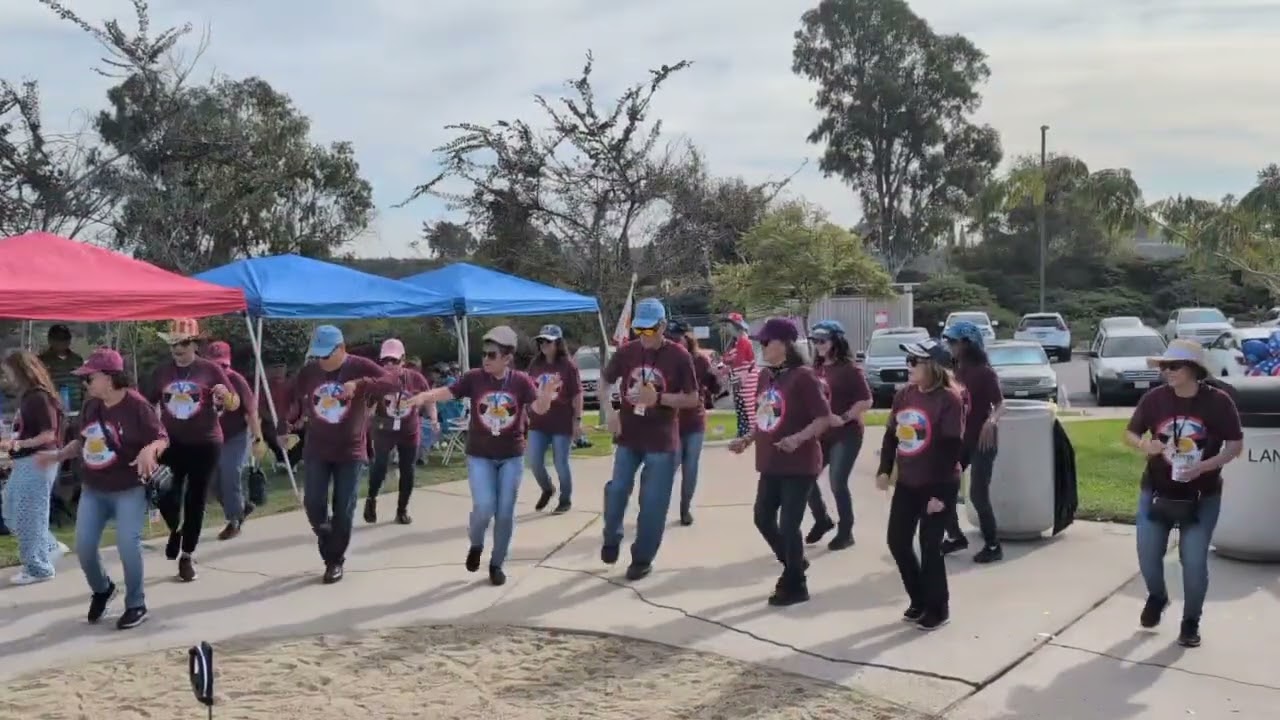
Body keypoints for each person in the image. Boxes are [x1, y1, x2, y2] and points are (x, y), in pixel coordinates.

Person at [408, 326, 558, 586]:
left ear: (507, 358)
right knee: (485, 506)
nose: (485, 359)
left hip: (511, 455)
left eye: (492, 355)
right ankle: (476, 543)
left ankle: (497, 563)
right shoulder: (474, 378)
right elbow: (448, 392)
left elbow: (538, 409)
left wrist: (545, 397)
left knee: (505, 513)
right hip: (480, 455)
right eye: (484, 354)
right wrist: (423, 396)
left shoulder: (521, 381)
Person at [1125, 339, 1243, 648]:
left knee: (1193, 562)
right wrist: (1143, 445)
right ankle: (1158, 597)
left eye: (1173, 366)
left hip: (1202, 496)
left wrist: (1205, 466)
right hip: (1156, 490)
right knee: (1148, 555)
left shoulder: (1218, 402)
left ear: (1193, 369)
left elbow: (1235, 446)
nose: (1167, 372)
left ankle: (1191, 621)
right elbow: (1130, 432)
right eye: (1164, 366)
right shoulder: (1154, 399)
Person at [40, 348, 166, 629]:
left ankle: (136, 603)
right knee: (83, 547)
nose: (85, 383)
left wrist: (149, 450)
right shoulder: (90, 406)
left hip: (128, 488)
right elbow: (84, 442)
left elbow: (161, 438)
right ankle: (102, 589)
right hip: (94, 488)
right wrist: (58, 456)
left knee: (127, 545)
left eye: (89, 377)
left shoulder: (137, 406)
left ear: (109, 378)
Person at [729, 318, 831, 606]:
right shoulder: (766, 377)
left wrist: (798, 439)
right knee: (762, 518)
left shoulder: (804, 377)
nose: (760, 346)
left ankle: (796, 583)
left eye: (765, 342)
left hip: (799, 464)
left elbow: (823, 418)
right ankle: (793, 561)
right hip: (771, 462)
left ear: (784, 344)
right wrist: (747, 439)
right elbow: (765, 419)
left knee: (789, 525)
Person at [288, 325, 401, 584]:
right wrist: (288, 423)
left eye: (326, 355)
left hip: (350, 450)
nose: (321, 361)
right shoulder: (310, 371)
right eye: (317, 356)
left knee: (344, 507)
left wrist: (360, 384)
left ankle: (334, 561)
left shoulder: (359, 366)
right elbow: (294, 397)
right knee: (313, 503)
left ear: (341, 349)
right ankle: (326, 533)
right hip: (317, 447)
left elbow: (393, 382)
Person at [599, 298, 699, 581]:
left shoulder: (679, 357)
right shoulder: (627, 352)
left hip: (662, 440)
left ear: (663, 326)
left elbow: (693, 399)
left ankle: (642, 558)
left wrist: (660, 398)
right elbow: (605, 381)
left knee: (653, 502)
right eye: (638, 330)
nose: (643, 337)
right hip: (629, 435)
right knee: (617, 489)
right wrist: (611, 411)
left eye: (649, 330)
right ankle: (611, 534)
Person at [876, 339, 965, 631]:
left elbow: (952, 447)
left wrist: (939, 494)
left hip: (939, 482)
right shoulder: (904, 395)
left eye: (915, 361)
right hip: (909, 481)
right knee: (898, 541)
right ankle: (919, 599)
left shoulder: (949, 399)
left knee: (930, 546)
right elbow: (891, 436)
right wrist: (885, 469)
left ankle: (938, 608)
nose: (909, 366)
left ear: (933, 366)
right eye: (909, 360)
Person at [147, 319, 238, 583]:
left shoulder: (210, 370)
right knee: (163, 491)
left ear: (195, 344)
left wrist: (225, 395)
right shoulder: (162, 372)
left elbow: (234, 403)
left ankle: (186, 556)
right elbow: (145, 403)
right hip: (172, 442)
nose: (177, 348)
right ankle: (176, 529)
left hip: (205, 443)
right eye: (173, 343)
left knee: (195, 499)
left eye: (183, 343)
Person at [939, 321, 1005, 563]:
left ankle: (993, 545)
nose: (950, 346)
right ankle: (955, 537)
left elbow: (1000, 404)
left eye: (954, 341)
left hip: (983, 441)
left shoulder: (985, 372)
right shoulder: (957, 370)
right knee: (942, 487)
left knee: (977, 493)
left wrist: (992, 421)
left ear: (968, 344)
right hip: (961, 440)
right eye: (949, 341)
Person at [0, 350, 68, 584]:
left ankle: (38, 568)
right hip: (26, 460)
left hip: (38, 460)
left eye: (8, 370)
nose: (6, 375)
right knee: (10, 510)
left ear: (20, 370)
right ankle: (49, 546)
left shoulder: (39, 397)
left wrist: (18, 444)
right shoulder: (28, 396)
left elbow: (48, 434)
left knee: (29, 515)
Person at [804, 320, 871, 550]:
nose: (819, 345)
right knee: (806, 477)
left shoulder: (850, 369)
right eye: (815, 341)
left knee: (837, 482)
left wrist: (844, 417)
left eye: (823, 340)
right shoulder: (816, 369)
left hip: (847, 434)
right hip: (823, 433)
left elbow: (866, 400)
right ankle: (822, 520)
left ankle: (846, 531)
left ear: (836, 341)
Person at [364, 338, 436, 525]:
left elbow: (428, 398)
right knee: (380, 465)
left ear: (403, 360)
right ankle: (371, 499)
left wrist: (434, 418)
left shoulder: (414, 378)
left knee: (408, 469)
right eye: (385, 360)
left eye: (394, 360)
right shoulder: (377, 380)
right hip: (384, 429)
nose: (389, 364)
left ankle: (402, 510)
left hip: (408, 429)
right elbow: (367, 407)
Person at [665, 319, 721, 526]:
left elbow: (714, 388)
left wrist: (715, 378)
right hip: (670, 421)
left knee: (690, 468)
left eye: (677, 338)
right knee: (669, 466)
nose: (674, 342)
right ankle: (656, 507)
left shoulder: (699, 361)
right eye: (669, 338)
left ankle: (685, 508)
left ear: (687, 338)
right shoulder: (664, 360)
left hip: (694, 421)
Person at [204, 341, 261, 541]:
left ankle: (234, 520)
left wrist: (258, 438)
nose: (221, 370)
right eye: (216, 366)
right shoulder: (202, 383)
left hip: (236, 435)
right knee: (211, 482)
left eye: (224, 366)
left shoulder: (236, 381)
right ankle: (241, 506)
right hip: (212, 437)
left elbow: (251, 411)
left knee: (230, 470)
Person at [526, 324, 582, 514]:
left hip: (561, 422)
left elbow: (577, 394)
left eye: (547, 341)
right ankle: (547, 488)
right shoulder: (535, 364)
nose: (543, 345)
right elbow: (529, 389)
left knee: (561, 462)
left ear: (558, 343)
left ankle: (565, 499)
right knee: (534, 461)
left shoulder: (568, 366)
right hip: (538, 422)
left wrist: (578, 420)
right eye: (540, 341)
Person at [720, 312, 756, 438]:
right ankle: (744, 431)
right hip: (739, 379)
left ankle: (747, 432)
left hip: (744, 381)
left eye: (729, 325)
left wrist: (726, 362)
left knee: (745, 405)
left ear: (735, 325)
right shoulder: (738, 341)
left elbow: (739, 361)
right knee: (742, 406)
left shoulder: (743, 341)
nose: (727, 328)